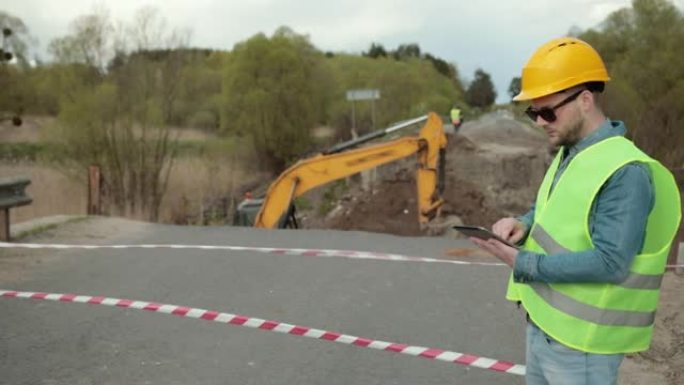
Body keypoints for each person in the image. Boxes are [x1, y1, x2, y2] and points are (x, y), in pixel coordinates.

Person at [469, 37, 681, 385]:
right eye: (533, 112)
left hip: (582, 347)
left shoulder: (626, 171)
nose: (539, 121)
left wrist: (522, 262)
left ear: (584, 100)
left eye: (547, 111)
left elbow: (612, 262)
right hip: (544, 328)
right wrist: (523, 223)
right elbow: (553, 208)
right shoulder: (572, 151)